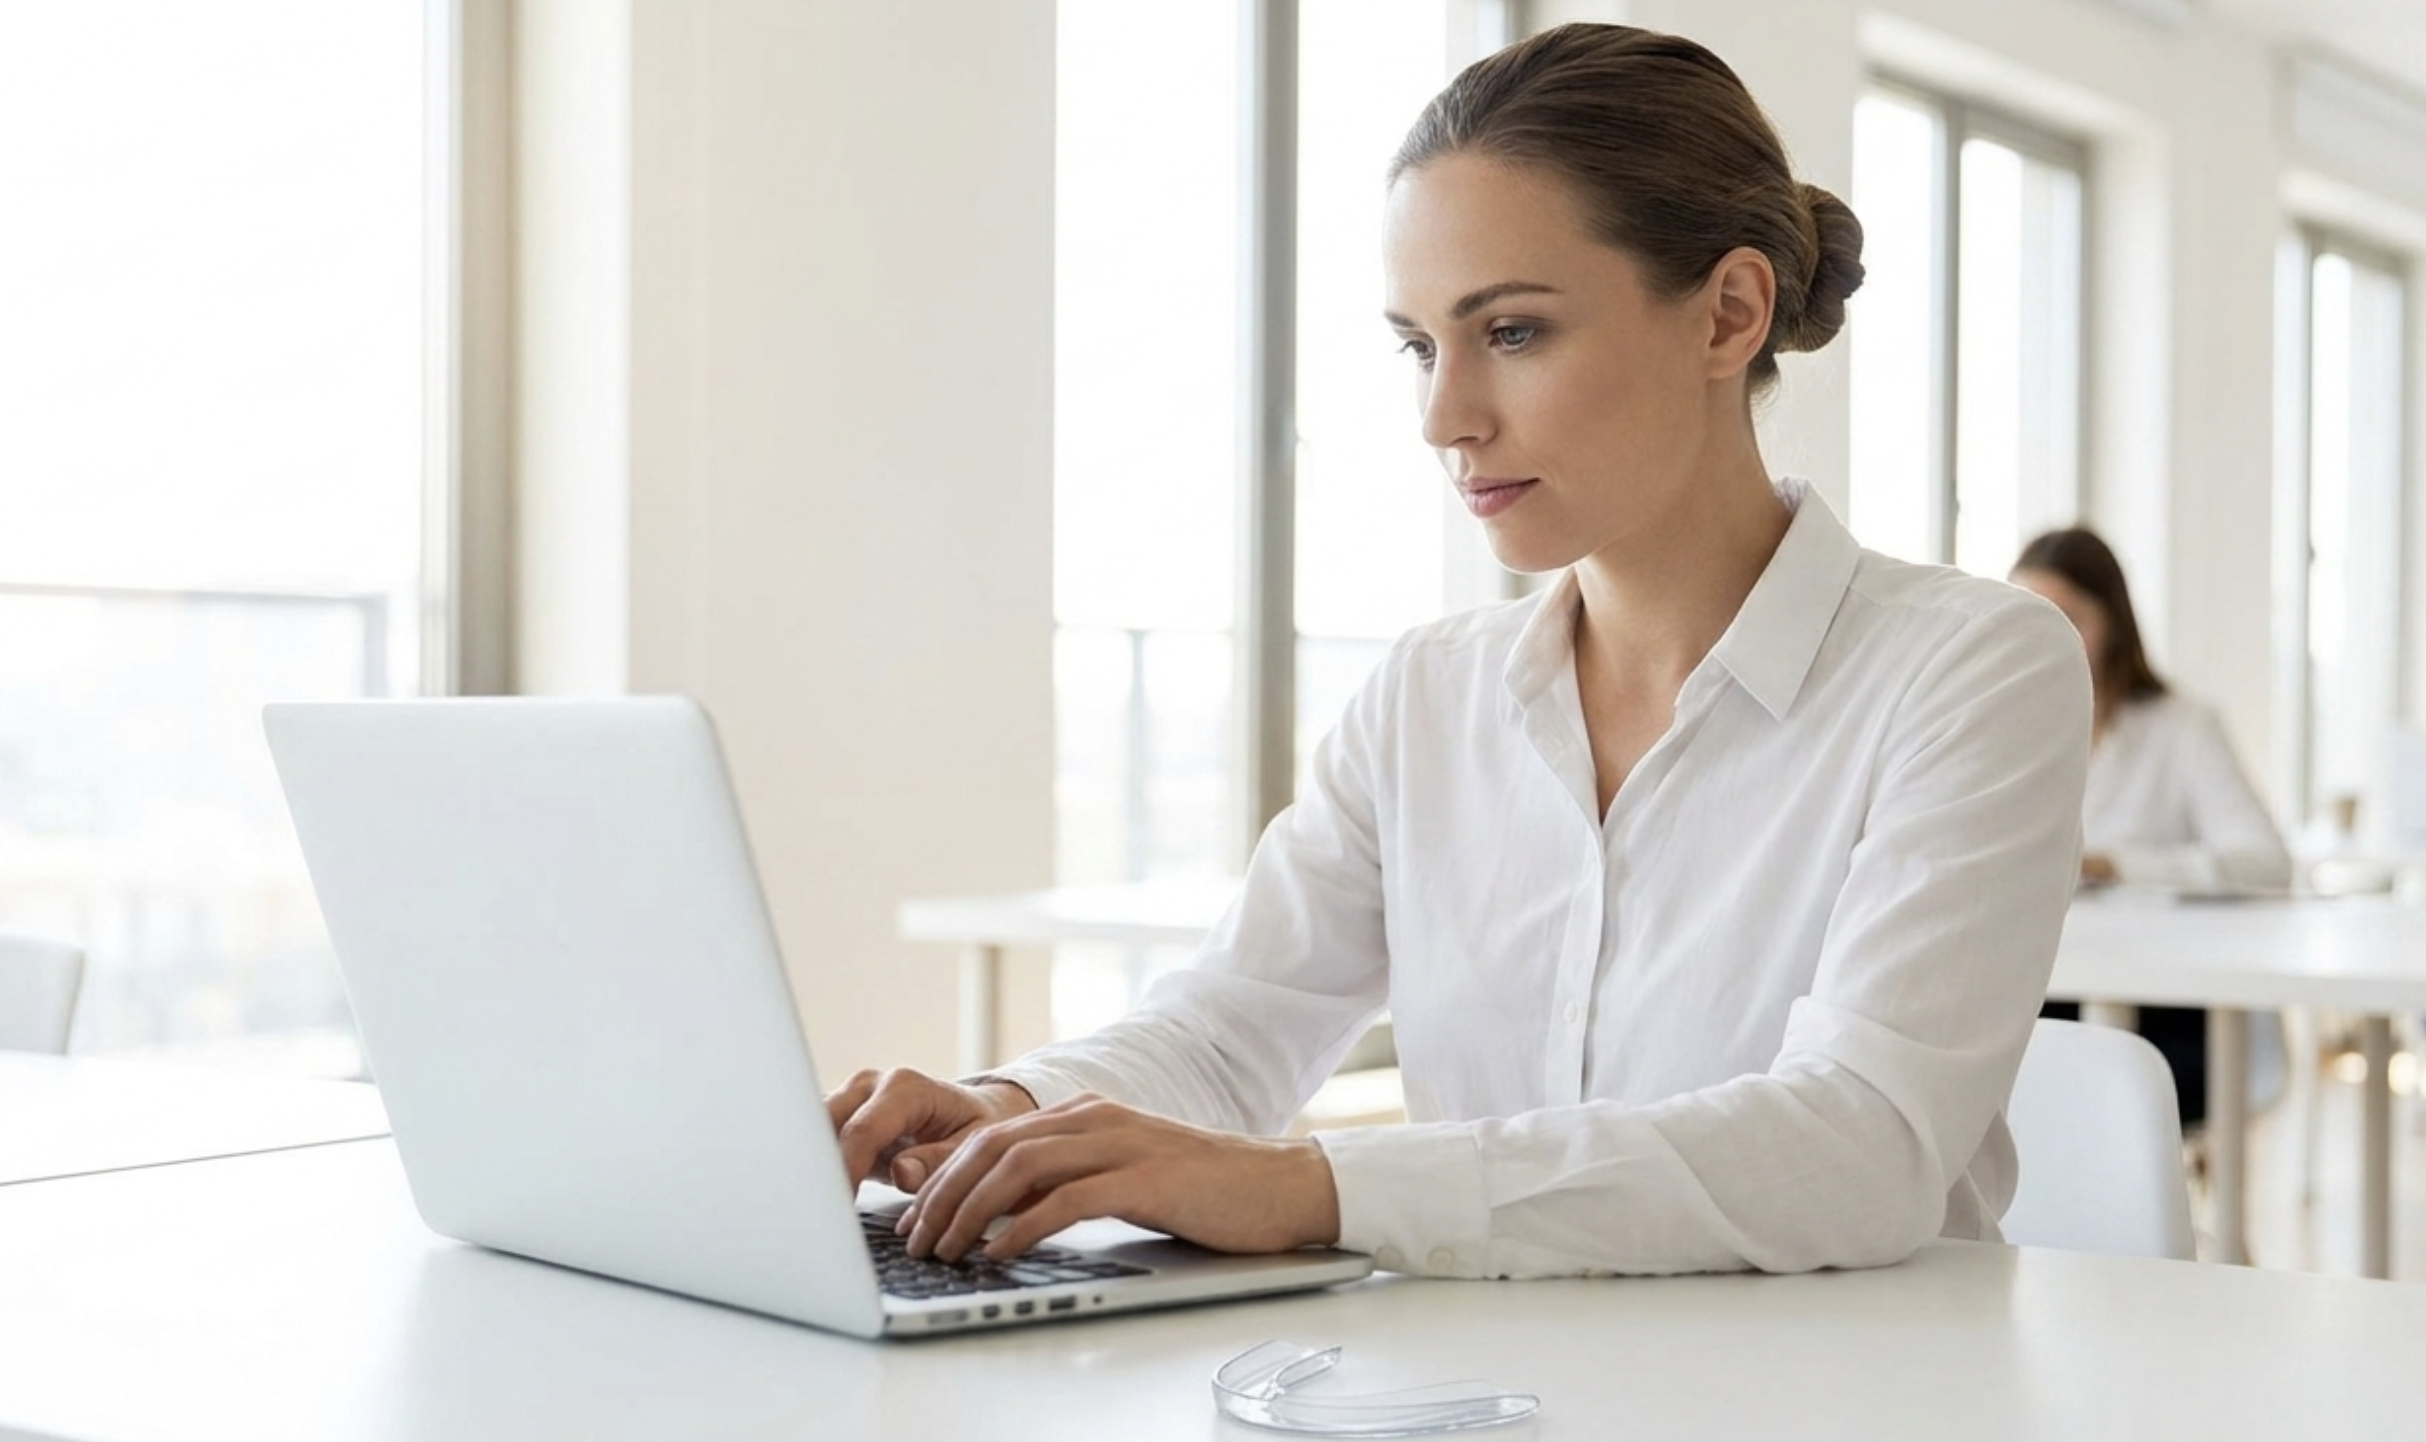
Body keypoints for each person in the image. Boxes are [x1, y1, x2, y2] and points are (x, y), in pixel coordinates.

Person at [828, 23, 2091, 1280]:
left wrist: (1308, 1184)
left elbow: (1853, 1148)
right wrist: (1011, 1110)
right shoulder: (1426, 697)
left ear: (1728, 312)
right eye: (1418, 345)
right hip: (1481, 1389)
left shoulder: (1969, 669)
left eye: (1513, 333)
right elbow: (1229, 1031)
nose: (1444, 417)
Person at [2011, 526, 2293, 1126]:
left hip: (2165, 1010)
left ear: (2113, 623)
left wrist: (2115, 864)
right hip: (2038, 992)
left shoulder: (2182, 728)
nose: (2048, 635)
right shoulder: (2006, 731)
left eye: (2069, 616)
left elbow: (2265, 861)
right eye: (2029, 613)